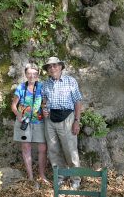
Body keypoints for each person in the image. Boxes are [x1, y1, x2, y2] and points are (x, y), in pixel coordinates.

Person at [41, 57, 83, 189]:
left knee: (70, 149)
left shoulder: (70, 81)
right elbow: (44, 101)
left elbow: (77, 101)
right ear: (47, 70)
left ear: (60, 67)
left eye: (55, 65)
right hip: (50, 120)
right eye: (49, 67)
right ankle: (60, 176)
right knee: (53, 150)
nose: (52, 68)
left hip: (67, 118)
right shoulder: (45, 84)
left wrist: (76, 121)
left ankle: (75, 178)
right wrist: (44, 109)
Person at [11, 63, 48, 182]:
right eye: (29, 73)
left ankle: (42, 176)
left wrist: (46, 110)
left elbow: (46, 102)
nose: (32, 76)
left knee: (43, 148)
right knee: (26, 147)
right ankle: (31, 177)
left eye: (34, 73)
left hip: (39, 121)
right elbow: (13, 105)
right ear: (25, 74)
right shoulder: (21, 87)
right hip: (24, 122)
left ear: (38, 74)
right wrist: (18, 115)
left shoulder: (42, 87)